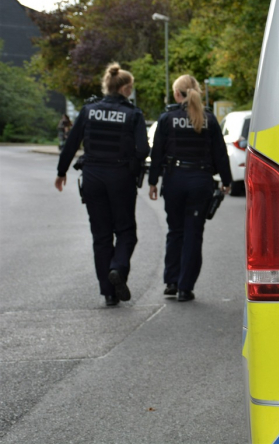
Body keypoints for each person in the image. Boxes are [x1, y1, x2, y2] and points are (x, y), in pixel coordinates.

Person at [55, 63, 150, 306]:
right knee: (126, 232)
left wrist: (61, 172)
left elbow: (72, 142)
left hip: (93, 177)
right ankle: (117, 268)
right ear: (125, 88)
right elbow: (143, 149)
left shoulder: (89, 110)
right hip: (120, 177)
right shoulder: (133, 114)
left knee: (101, 235)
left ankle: (108, 293)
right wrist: (132, 161)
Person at [148, 74, 232, 302]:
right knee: (193, 234)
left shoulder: (167, 118)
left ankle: (171, 282)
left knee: (175, 231)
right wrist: (226, 180)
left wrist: (153, 181)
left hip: (174, 180)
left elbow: (157, 153)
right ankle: (185, 287)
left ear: (177, 94)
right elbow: (220, 153)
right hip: (200, 181)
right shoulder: (209, 120)